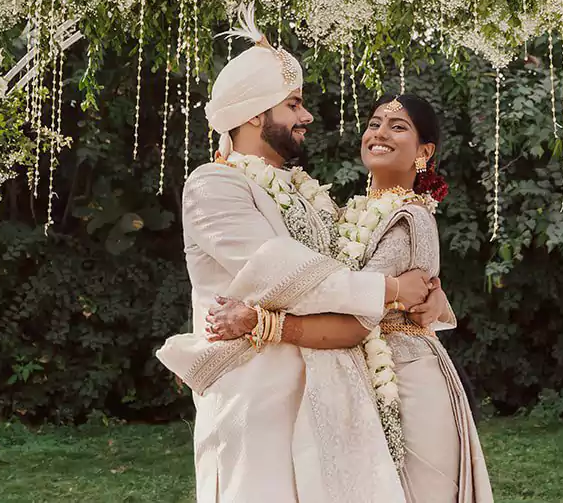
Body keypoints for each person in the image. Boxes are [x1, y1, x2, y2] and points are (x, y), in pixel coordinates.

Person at [156, 12, 431, 503]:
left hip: (334, 394)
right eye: (293, 104)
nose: (306, 117)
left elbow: (357, 254)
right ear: (254, 114)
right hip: (256, 397)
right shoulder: (213, 185)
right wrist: (389, 290)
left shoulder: (307, 194)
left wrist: (426, 286)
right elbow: (279, 271)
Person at [206, 93, 494, 503]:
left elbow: (352, 314)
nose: (380, 133)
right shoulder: (344, 215)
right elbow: (320, 279)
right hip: (359, 379)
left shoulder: (410, 218)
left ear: (424, 152)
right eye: (374, 124)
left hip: (407, 383)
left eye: (398, 127)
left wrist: (260, 322)